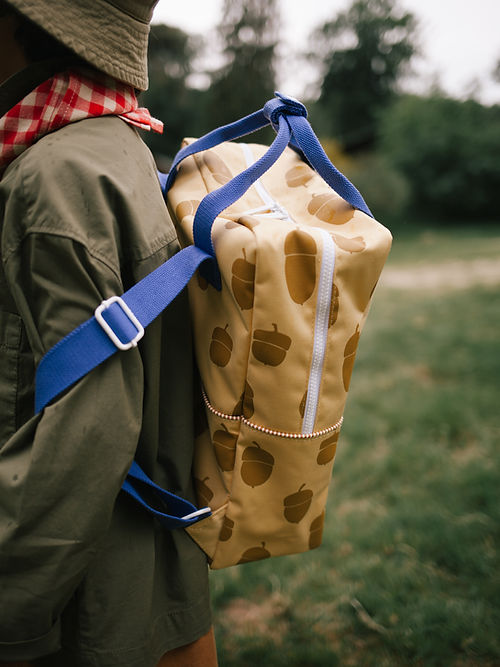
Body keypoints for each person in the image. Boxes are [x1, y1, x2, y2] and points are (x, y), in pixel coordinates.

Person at [0, 1, 217, 665]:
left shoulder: (53, 176)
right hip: (143, 579)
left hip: (83, 612)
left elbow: (84, 437)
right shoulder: (115, 143)